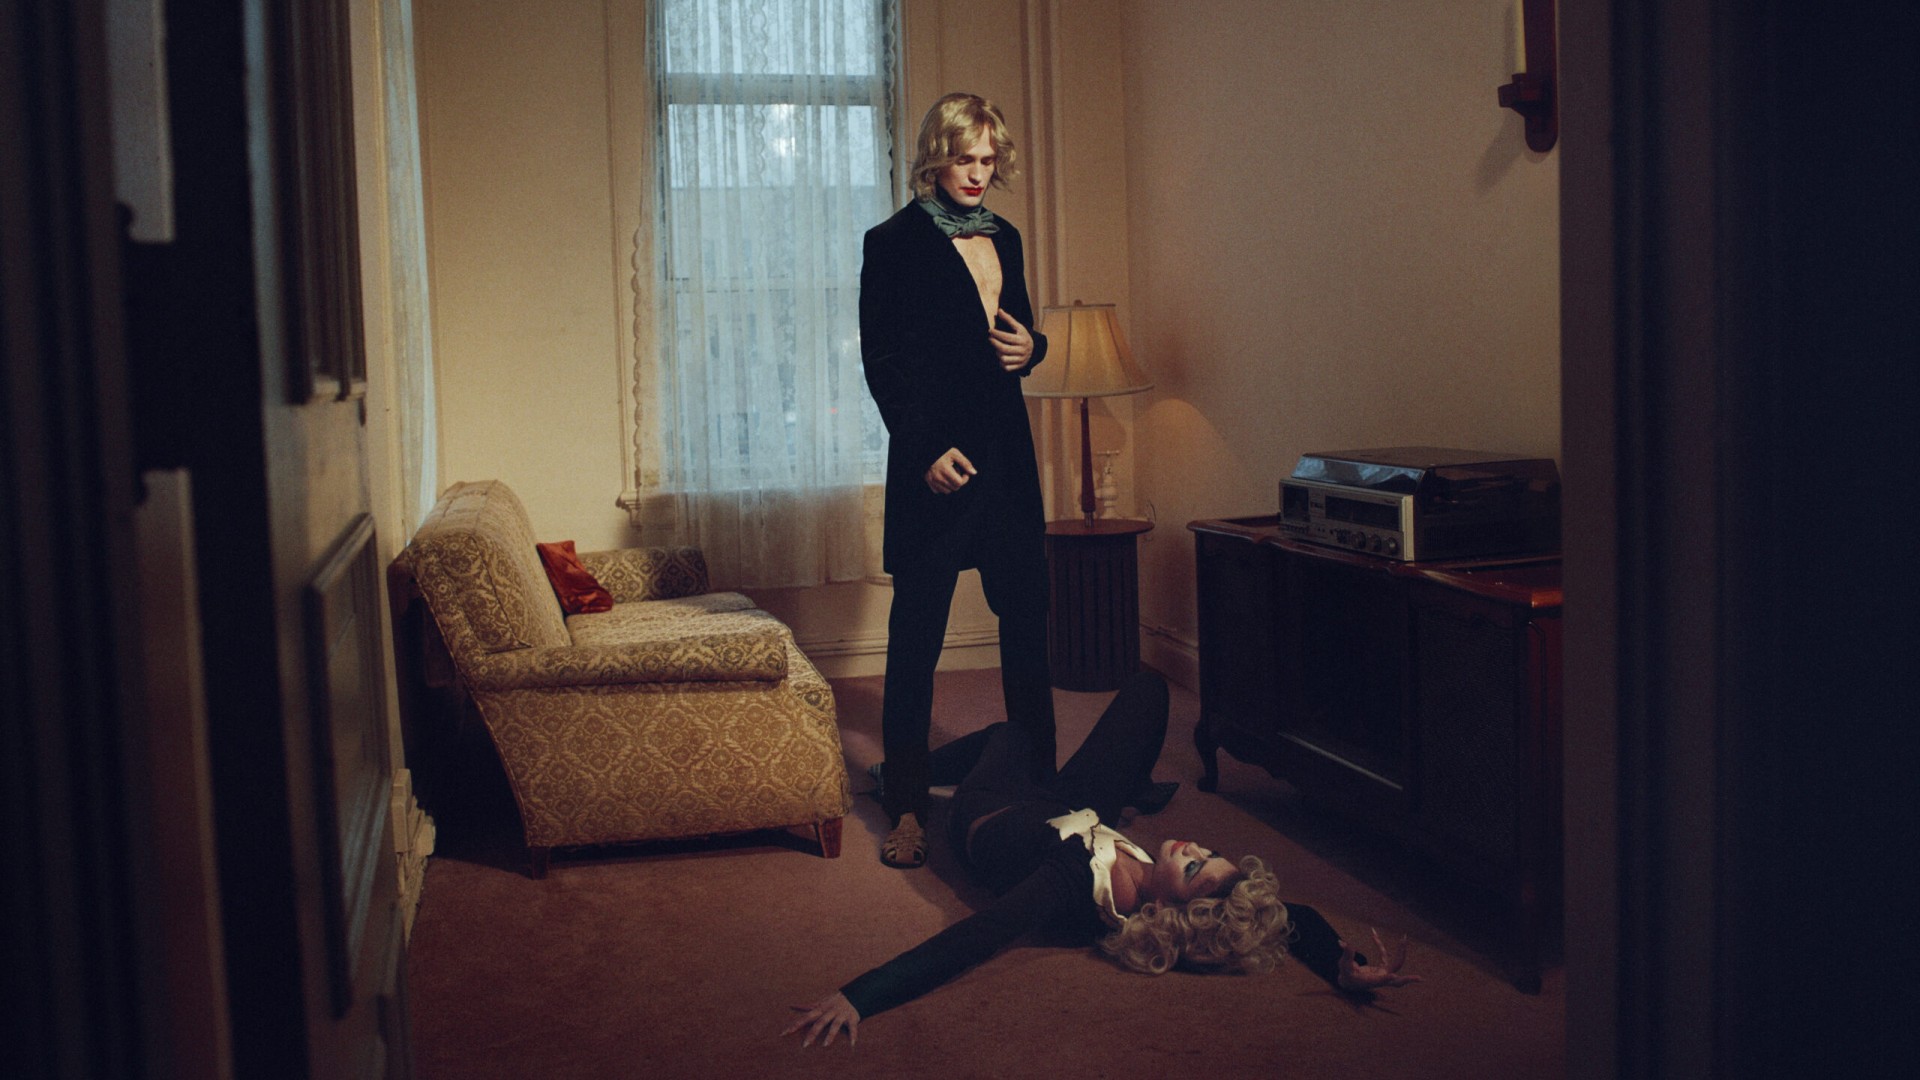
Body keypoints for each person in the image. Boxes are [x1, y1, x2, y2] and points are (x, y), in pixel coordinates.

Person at [782, 673, 1422, 1047]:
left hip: (994, 808)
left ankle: (898, 778)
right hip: (1076, 810)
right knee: (1148, 687)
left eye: (1193, 867)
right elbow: (1291, 917)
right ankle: (1132, 786)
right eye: (1209, 852)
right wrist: (1343, 965)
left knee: (1011, 735)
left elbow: (975, 938)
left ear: (1167, 911)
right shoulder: (1162, 883)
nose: (1195, 847)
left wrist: (862, 995)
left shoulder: (1066, 887)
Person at [858, 92, 1057, 869]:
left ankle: (1039, 786)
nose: (976, 173)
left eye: (986, 160)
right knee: (917, 637)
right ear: (935, 159)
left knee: (1027, 623)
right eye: (963, 158)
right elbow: (883, 363)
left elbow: (1022, 331)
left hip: (1006, 458)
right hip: (936, 464)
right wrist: (923, 451)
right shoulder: (891, 243)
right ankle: (907, 803)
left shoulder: (1006, 235)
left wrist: (1035, 348)